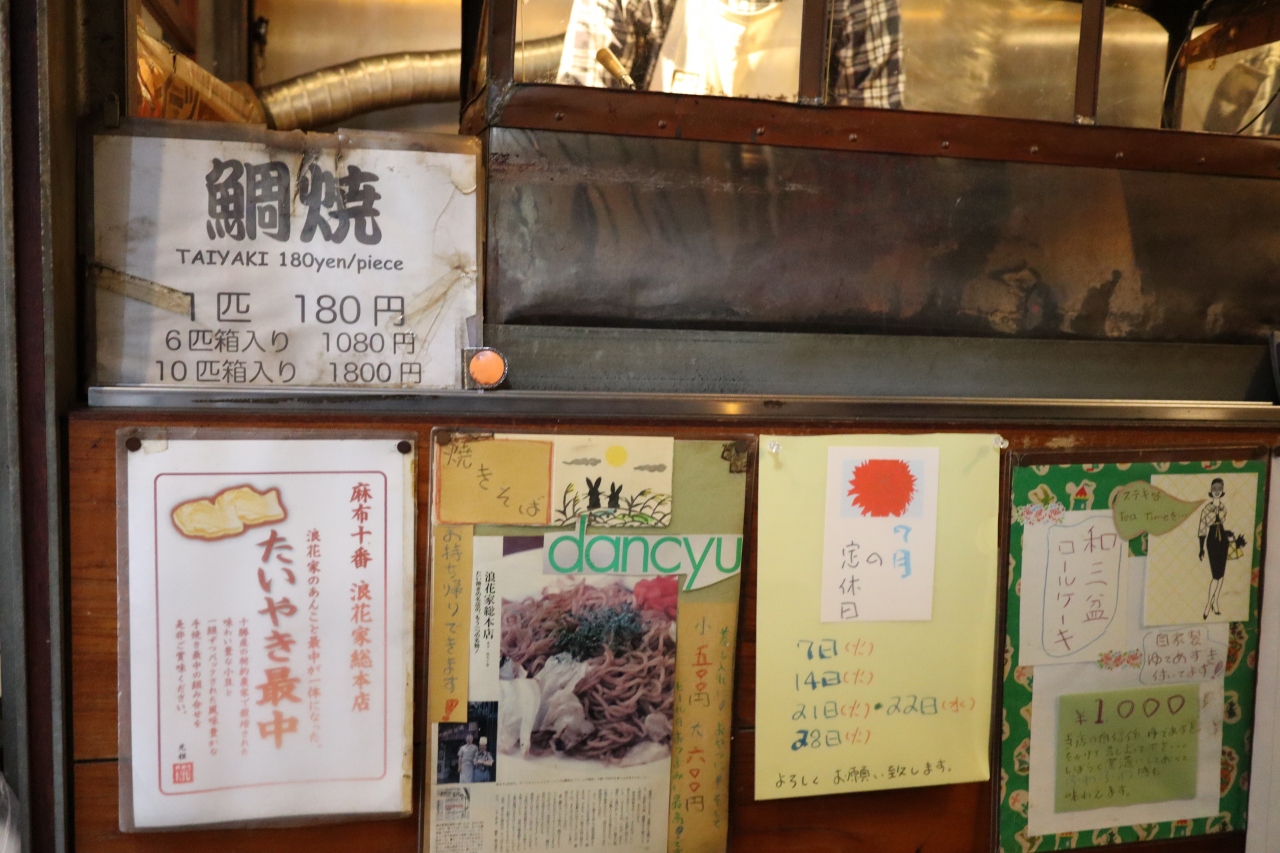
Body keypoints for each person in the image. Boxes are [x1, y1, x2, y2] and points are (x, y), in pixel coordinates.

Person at [1199, 478, 1229, 620]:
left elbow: (1221, 525)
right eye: (1214, 488)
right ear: (1211, 491)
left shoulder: (1224, 508)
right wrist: (1201, 548)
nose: (1217, 491)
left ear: (1222, 491)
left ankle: (1215, 602)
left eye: (1219, 488)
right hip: (1212, 541)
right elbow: (1202, 528)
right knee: (1216, 575)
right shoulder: (1206, 509)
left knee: (1221, 575)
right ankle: (1207, 604)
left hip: (1223, 541)